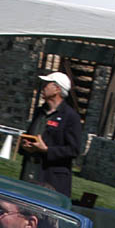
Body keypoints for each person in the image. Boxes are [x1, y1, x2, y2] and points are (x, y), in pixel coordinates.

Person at [18, 71, 84, 199]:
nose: (42, 88)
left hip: (51, 179)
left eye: (46, 84)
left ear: (57, 89)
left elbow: (73, 150)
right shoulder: (39, 112)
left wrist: (47, 150)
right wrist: (25, 146)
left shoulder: (71, 117)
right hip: (29, 172)